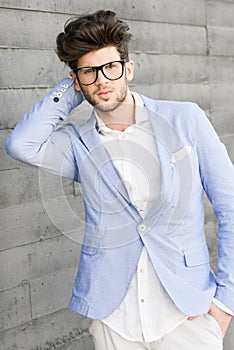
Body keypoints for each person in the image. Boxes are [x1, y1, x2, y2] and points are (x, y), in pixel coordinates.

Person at [5, 10, 234, 350]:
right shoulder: (75, 143)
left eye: (110, 67)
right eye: (89, 72)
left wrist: (225, 302)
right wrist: (71, 90)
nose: (102, 80)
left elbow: (230, 207)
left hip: (187, 311)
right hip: (115, 315)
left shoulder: (185, 119)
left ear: (128, 68)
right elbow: (21, 145)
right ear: (76, 79)